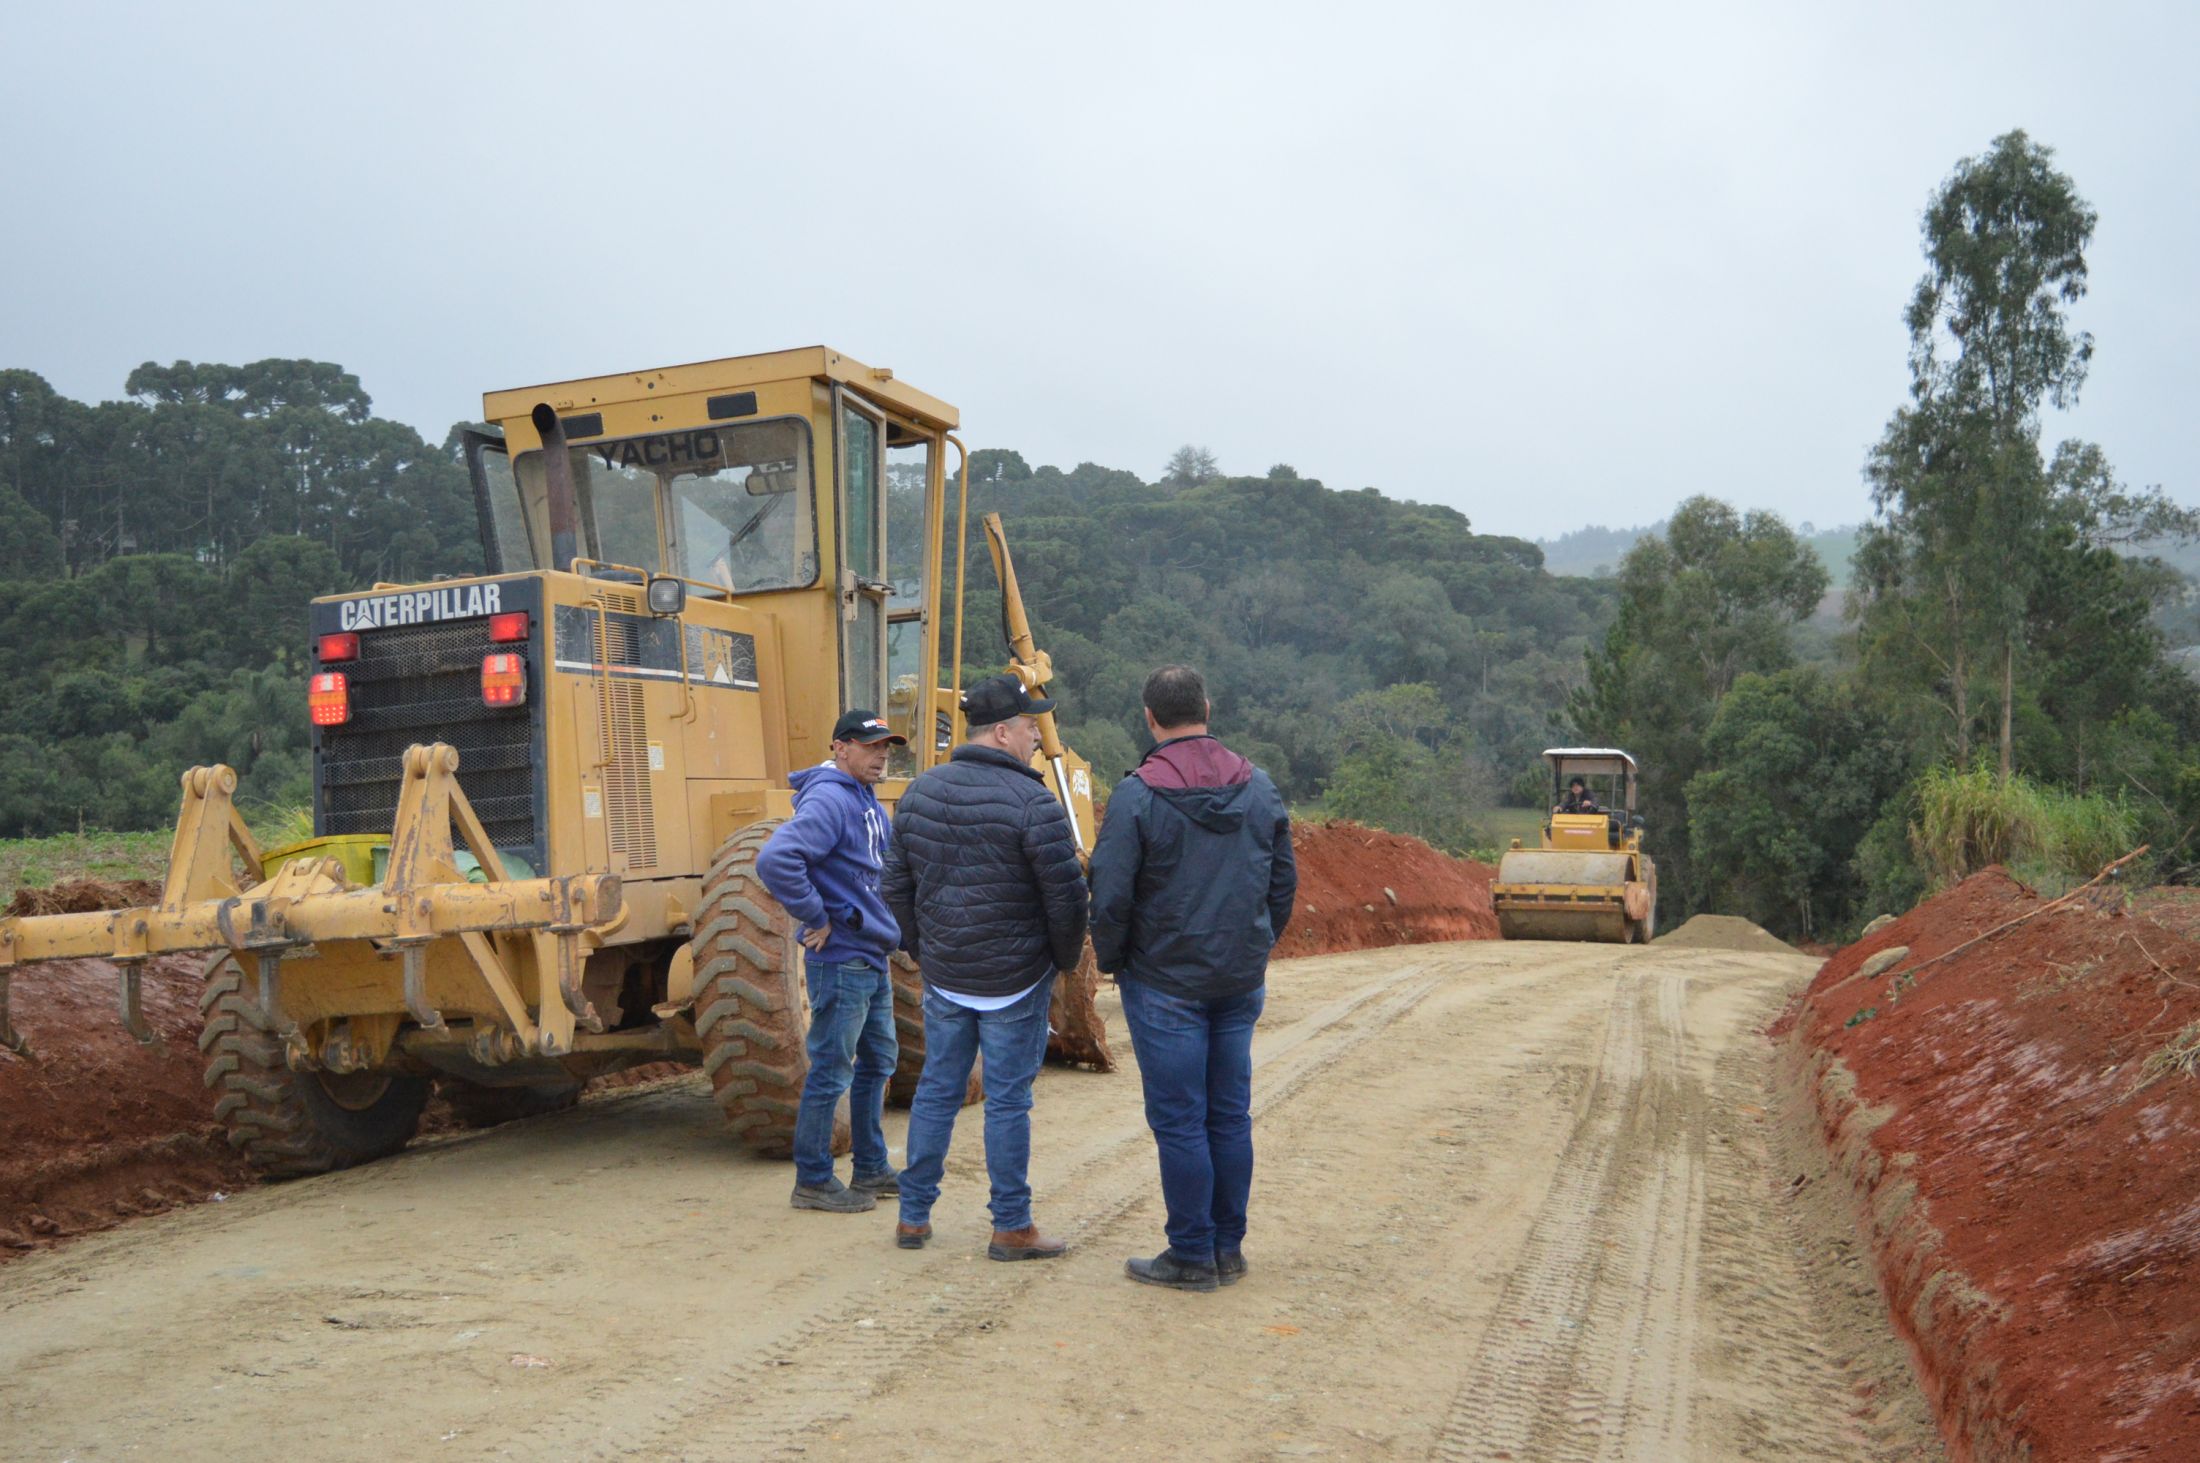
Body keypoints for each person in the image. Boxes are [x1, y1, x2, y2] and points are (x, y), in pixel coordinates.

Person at [1089, 665, 1296, 1292]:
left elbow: (1111, 895)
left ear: (1149, 717)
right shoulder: (1259, 787)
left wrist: (1115, 961)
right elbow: (1282, 884)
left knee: (1181, 1119)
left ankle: (1189, 1254)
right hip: (1237, 980)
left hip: (1163, 983)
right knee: (1228, 1115)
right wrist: (1254, 947)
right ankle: (1227, 1249)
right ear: (1207, 706)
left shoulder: (1137, 794)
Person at [882, 675, 1088, 1260]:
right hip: (1015, 980)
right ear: (1002, 732)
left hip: (947, 976)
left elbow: (894, 886)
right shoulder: (1034, 803)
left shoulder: (919, 793)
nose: (1034, 738)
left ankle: (914, 1218)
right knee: (1007, 1101)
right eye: (1029, 727)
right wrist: (1062, 960)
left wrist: (926, 949)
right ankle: (1010, 1226)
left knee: (936, 1093)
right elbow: (1067, 898)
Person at [756, 709, 907, 1215]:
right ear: (840, 748)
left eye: (886, 746)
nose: (881, 754)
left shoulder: (863, 798)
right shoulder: (829, 799)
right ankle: (815, 1179)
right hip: (842, 958)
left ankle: (869, 1167)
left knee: (878, 1062)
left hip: (871, 956)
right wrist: (815, 915)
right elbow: (776, 860)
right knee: (831, 1071)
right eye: (870, 746)